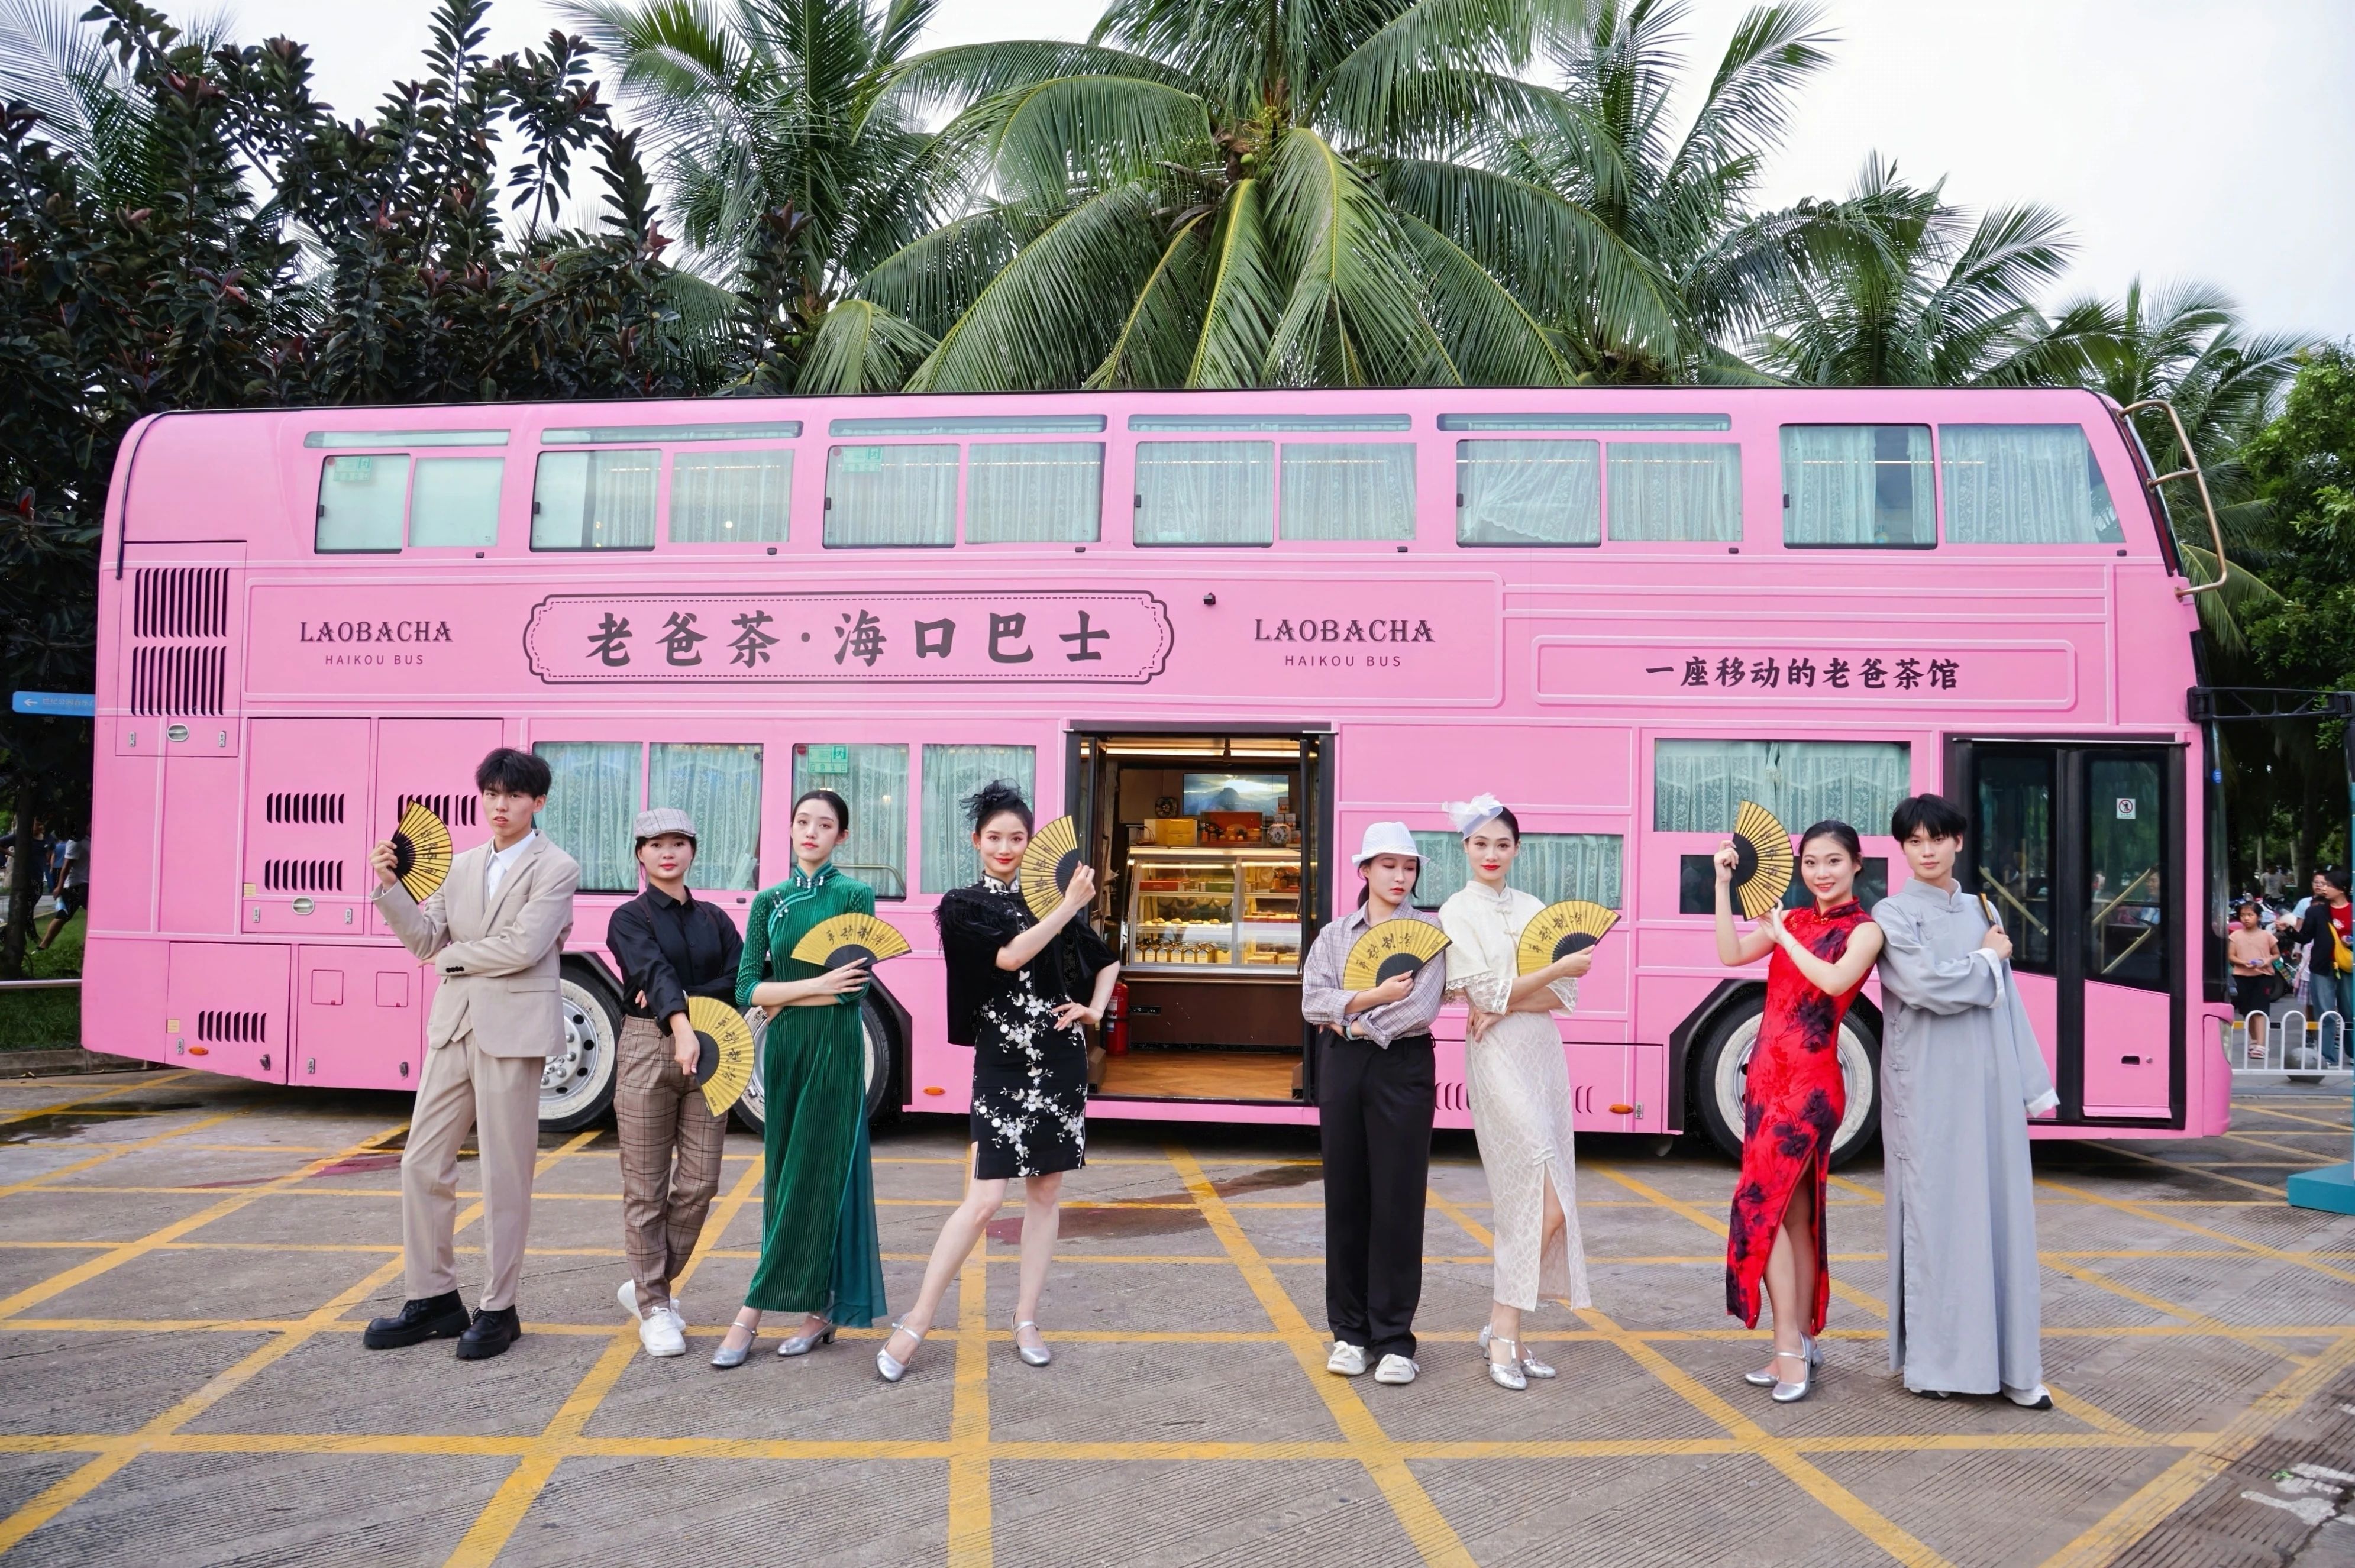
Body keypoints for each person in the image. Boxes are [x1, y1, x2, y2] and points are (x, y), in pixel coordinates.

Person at [876, 781, 1118, 1382]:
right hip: (1002, 1063)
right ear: (975, 841)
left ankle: (1026, 1317)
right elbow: (1009, 957)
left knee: (1046, 1192)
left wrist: (1093, 1010)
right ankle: (918, 1318)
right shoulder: (964, 905)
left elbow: (1107, 958)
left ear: (1030, 842)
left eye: (1016, 837)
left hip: (1059, 1058)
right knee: (985, 1198)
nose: (1005, 848)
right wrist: (1067, 906)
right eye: (994, 837)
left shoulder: (1047, 899)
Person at [363, 748, 581, 1361]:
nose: (499, 805)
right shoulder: (460, 866)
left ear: (538, 802)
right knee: (420, 1162)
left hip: (512, 1030)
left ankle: (499, 1306)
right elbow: (424, 940)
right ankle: (433, 1297)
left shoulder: (557, 866)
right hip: (454, 1026)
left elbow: (524, 947)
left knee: (505, 1173)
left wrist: (454, 958)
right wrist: (391, 889)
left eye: (512, 795)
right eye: (490, 793)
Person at [1872, 793, 2057, 1408]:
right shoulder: (1892, 913)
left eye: (1936, 839)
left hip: (1987, 1083)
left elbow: (2008, 999)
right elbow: (1924, 984)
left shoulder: (1983, 906)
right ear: (1903, 849)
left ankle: (2015, 1368)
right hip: (1927, 1087)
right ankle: (1938, 1365)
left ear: (1957, 841)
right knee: (1939, 1218)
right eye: (1914, 841)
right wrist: (1985, 957)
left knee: (2002, 1218)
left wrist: (2031, 1082)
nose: (1926, 851)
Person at [712, 790, 889, 1369]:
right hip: (785, 1052)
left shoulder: (855, 895)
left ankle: (751, 1312)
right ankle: (818, 1309)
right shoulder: (769, 901)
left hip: (835, 1050)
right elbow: (746, 989)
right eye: (803, 821)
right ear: (789, 829)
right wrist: (811, 988)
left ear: (842, 836)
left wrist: (782, 995)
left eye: (825, 824)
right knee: (785, 1176)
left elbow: (854, 989)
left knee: (813, 1178)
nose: (811, 831)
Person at [1711, 820, 1882, 1404]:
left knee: (1759, 1207)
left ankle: (1788, 1345)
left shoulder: (1865, 930)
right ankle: (1802, 1340)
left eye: (1833, 860)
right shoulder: (1796, 920)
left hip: (1809, 1089)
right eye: (1810, 862)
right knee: (1794, 1216)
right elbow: (1730, 952)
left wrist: (1784, 936)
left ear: (1856, 863)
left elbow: (1834, 982)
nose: (1821, 872)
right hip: (1764, 1082)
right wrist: (1722, 885)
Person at [1437, 794, 1592, 1391]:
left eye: (1502, 844)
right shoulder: (1456, 909)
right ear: (1465, 847)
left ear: (1517, 849)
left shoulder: (1533, 908)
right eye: (1481, 843)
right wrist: (1547, 975)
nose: (1492, 853)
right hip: (1496, 1058)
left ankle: (1507, 1329)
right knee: (1531, 1196)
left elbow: (1561, 999)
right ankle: (1503, 1330)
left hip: (1541, 1054)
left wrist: (1506, 1001)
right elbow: (1480, 993)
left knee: (1551, 1200)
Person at [1300, 822, 1449, 1387]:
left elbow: (1421, 1008)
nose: (1399, 876)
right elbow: (1312, 999)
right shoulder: (1334, 934)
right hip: (1343, 1065)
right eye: (1388, 865)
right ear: (1364, 870)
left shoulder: (1429, 934)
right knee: (1344, 1196)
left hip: (1402, 1066)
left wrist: (1353, 1019)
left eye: (1408, 867)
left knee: (1398, 1199)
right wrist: (1372, 997)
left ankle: (1394, 1339)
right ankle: (1348, 1334)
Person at [603, 808, 744, 1360]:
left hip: (713, 1049)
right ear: (639, 853)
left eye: (679, 842)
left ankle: (648, 1283)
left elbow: (740, 977)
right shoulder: (628, 918)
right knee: (645, 1187)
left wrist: (683, 999)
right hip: (648, 1049)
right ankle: (656, 1305)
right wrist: (680, 1020)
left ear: (692, 851)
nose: (668, 852)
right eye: (656, 843)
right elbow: (650, 969)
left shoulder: (715, 918)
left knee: (700, 1182)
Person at [2285, 868, 2353, 1024]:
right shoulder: (2315, 911)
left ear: (2342, 889)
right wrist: (2288, 930)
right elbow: (2305, 938)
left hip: (2348, 965)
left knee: (2349, 1012)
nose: (2324, 888)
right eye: (2323, 884)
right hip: (2322, 965)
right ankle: (2326, 1041)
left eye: (2328, 885)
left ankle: (2350, 1040)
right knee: (2324, 1014)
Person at [2227, 901, 2282, 1017]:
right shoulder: (2235, 935)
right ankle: (2252, 1030)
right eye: (2243, 915)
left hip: (2263, 976)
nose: (2246, 918)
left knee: (2260, 1011)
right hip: (2242, 977)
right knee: (2247, 1012)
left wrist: (2268, 961)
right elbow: (2231, 956)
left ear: (2259, 917)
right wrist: (2243, 963)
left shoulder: (2267, 935)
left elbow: (2276, 954)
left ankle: (2260, 1031)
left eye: (2250, 915)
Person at [36, 832, 87, 952]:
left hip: (88, 884)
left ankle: (88, 945)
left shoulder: (91, 840)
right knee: (62, 916)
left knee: (94, 916)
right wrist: (60, 886)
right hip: (75, 885)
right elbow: (67, 865)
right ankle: (42, 947)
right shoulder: (76, 841)